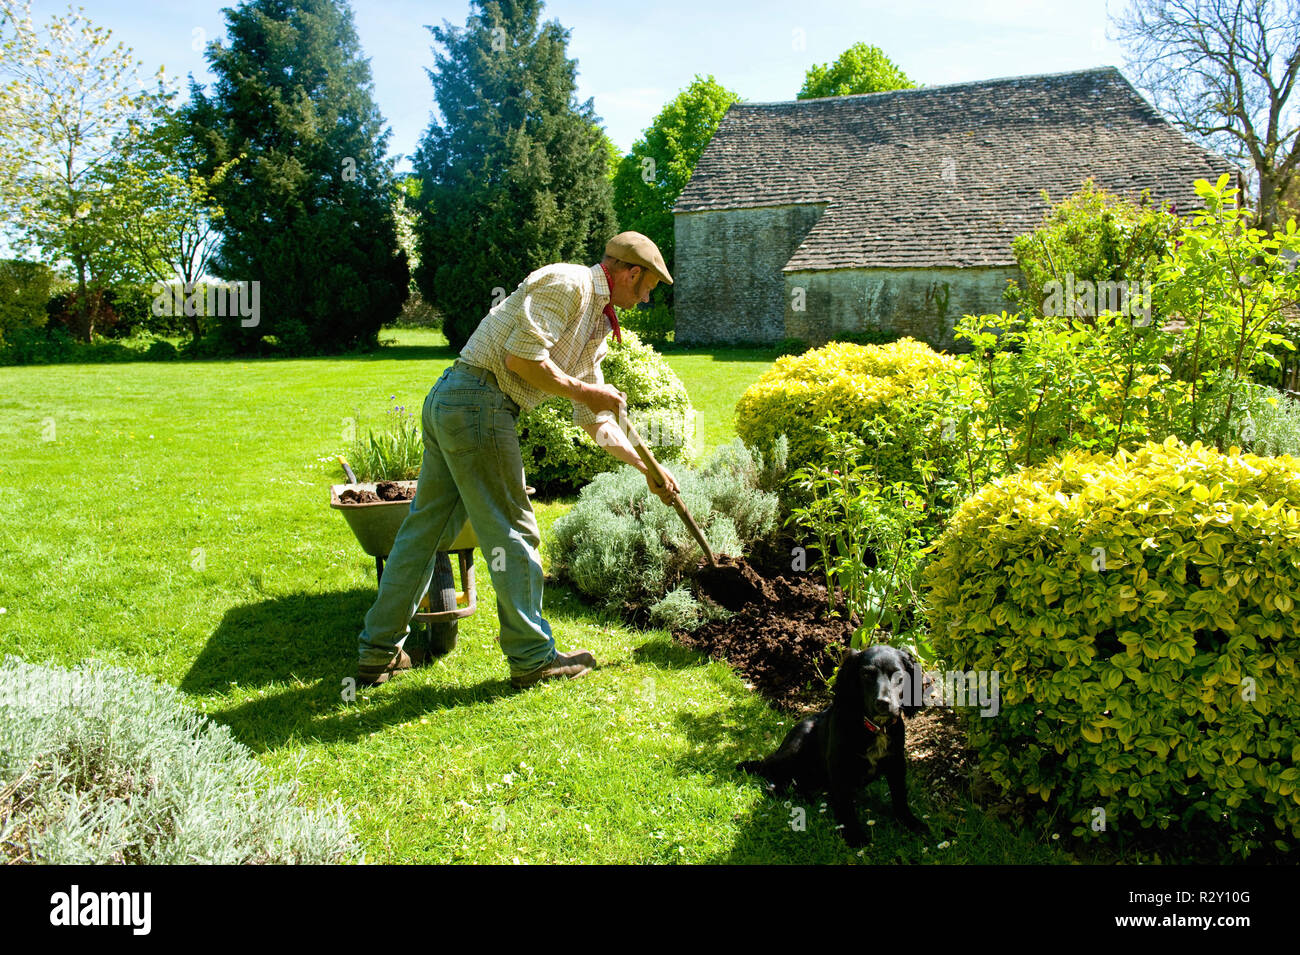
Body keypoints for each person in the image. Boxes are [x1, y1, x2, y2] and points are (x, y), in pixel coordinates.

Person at [355, 232, 681, 689]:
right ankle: (532, 657)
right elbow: (521, 360)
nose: (648, 297)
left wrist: (647, 468)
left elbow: (594, 420)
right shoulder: (569, 284)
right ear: (631, 272)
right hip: (479, 401)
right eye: (649, 286)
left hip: (458, 404)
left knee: (424, 533)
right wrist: (587, 390)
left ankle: (377, 653)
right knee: (514, 532)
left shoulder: (597, 326)